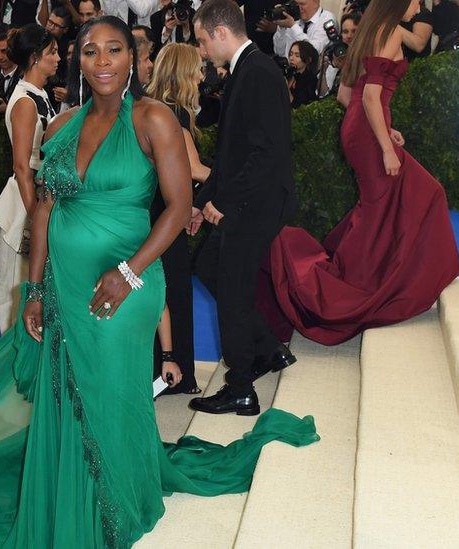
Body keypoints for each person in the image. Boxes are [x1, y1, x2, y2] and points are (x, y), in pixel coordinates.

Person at [0, 14, 318, 547]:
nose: (104, 61)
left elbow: (179, 208)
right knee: (67, 389)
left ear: (132, 59)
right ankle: (75, 473)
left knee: (109, 382)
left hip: (129, 280)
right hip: (64, 282)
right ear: (79, 61)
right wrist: (35, 289)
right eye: (92, 52)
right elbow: (43, 211)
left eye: (115, 50)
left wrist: (128, 273)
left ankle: (115, 490)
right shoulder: (61, 125)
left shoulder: (154, 119)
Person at [267, 0, 459, 344]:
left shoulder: (371, 31)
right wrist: (385, 145)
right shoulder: (386, 34)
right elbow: (371, 98)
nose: (417, 6)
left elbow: (347, 95)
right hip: (369, 136)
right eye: (414, 1)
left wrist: (387, 129)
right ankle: (353, 284)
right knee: (415, 196)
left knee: (386, 203)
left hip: (362, 130)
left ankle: (372, 273)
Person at [187, 0, 298, 416]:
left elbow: (265, 154)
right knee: (211, 268)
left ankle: (240, 387)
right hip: (247, 197)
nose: (200, 50)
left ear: (219, 33)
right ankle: (269, 348)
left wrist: (223, 202)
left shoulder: (257, 72)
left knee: (231, 288)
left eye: (201, 41)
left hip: (256, 202)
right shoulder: (246, 71)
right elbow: (231, 153)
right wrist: (202, 203)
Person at [145, 42, 211, 395]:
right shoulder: (174, 115)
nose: (202, 76)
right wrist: (234, 187)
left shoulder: (151, 107)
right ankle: (173, 375)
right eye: (198, 69)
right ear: (184, 73)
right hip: (165, 216)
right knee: (171, 290)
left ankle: (159, 371)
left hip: (154, 210)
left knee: (157, 290)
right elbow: (195, 169)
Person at [0, 24, 59, 334]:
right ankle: (12, 366)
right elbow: (21, 166)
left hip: (37, 198)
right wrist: (35, 217)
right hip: (23, 203)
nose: (58, 58)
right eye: (52, 53)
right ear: (34, 58)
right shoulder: (25, 103)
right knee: (16, 291)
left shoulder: (39, 94)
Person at [267, 0, 336, 59]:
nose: (298, 8)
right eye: (296, 4)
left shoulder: (327, 19)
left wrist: (293, 26)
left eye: (302, 4)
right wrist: (281, 28)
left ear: (316, 2)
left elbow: (313, 52)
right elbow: (280, 52)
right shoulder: (295, 19)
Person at [288, 40, 318, 107]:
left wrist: (285, 87)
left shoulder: (311, 79)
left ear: (308, 59)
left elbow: (298, 106)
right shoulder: (288, 74)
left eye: (297, 55)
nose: (291, 58)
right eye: (291, 54)